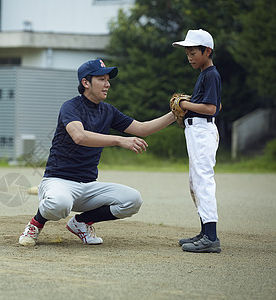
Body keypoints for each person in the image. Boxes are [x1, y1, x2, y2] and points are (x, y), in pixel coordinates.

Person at [19, 59, 176, 246]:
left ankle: (81, 223)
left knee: (132, 200)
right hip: (58, 181)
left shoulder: (108, 111)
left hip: (88, 186)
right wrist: (119, 140)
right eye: (101, 79)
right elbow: (79, 136)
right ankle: (35, 224)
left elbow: (142, 129)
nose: (107, 84)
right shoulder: (70, 107)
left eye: (108, 79)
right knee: (60, 204)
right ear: (86, 83)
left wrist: (176, 113)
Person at [172, 29, 222, 253]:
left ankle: (211, 237)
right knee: (195, 183)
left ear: (207, 51)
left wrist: (185, 105)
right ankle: (205, 231)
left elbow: (211, 109)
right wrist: (193, 104)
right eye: (188, 53)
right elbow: (218, 105)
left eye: (193, 52)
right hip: (197, 132)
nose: (190, 56)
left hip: (202, 131)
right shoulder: (205, 74)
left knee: (202, 181)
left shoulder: (211, 74)